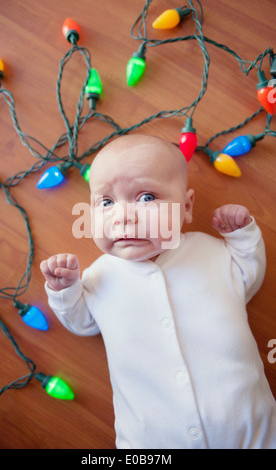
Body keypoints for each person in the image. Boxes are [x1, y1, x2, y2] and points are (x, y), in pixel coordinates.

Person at [40, 134, 276, 449]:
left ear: (187, 207)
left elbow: (249, 274)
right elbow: (82, 322)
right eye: (106, 202)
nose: (122, 216)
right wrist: (64, 290)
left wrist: (242, 236)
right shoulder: (99, 276)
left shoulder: (211, 252)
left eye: (147, 197)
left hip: (253, 431)